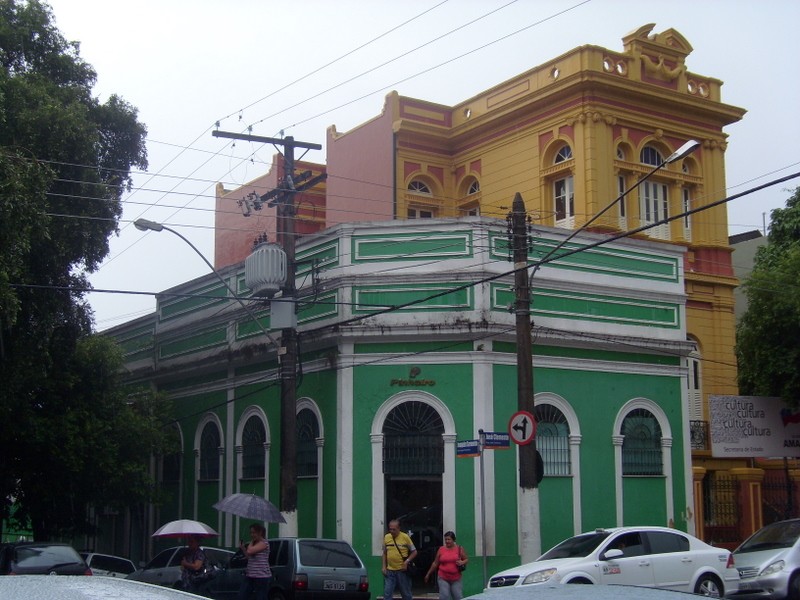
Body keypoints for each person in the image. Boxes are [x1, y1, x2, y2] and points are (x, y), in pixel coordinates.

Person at [424, 531, 468, 600]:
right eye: (446, 539)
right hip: (443, 577)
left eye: (449, 539)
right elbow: (435, 563)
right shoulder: (441, 549)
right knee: (444, 597)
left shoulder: (459, 549)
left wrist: (462, 562)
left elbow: (466, 559)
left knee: (458, 597)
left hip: (456, 578)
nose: (447, 541)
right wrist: (428, 574)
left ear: (453, 540)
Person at [382, 519, 417, 600]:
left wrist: (406, 562)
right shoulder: (387, 537)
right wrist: (384, 566)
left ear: (399, 528)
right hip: (390, 571)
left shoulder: (405, 537)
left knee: (406, 594)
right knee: (387, 593)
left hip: (402, 571)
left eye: (394, 529)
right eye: (390, 529)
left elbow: (414, 552)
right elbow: (384, 553)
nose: (392, 531)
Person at [237, 523, 271, 600]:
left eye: (254, 532)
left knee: (260, 597)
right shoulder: (253, 544)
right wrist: (243, 548)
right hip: (250, 575)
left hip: (261, 576)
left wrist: (251, 542)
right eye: (251, 533)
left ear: (260, 533)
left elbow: (250, 551)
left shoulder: (264, 543)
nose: (252, 535)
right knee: (241, 596)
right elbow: (249, 557)